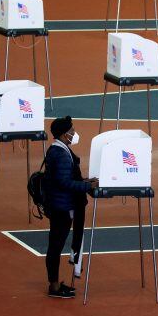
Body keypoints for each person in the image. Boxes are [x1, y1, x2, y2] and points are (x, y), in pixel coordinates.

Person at [43, 116, 98, 299]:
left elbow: (66, 179)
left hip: (58, 205)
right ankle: (55, 287)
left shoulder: (57, 149)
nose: (74, 133)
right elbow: (64, 183)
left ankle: (55, 284)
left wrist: (85, 181)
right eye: (71, 131)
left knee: (55, 245)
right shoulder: (61, 154)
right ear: (64, 134)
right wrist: (87, 186)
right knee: (56, 246)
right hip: (62, 208)